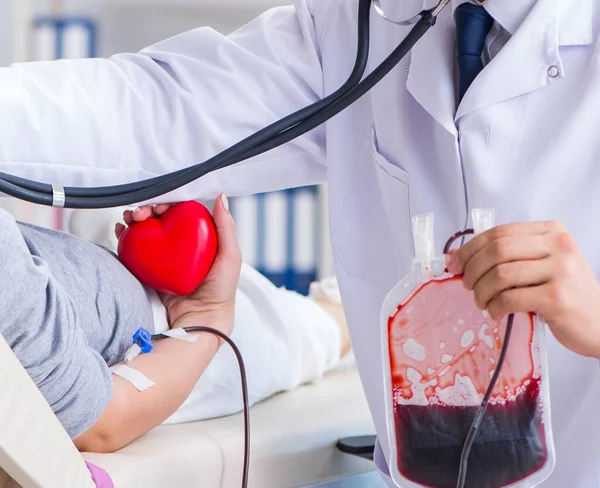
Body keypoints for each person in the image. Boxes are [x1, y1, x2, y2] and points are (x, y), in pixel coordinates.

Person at [0, 0, 599, 485]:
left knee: (286, 330)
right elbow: (158, 108)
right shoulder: (365, 22)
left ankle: (326, 317)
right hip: (414, 453)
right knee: (287, 328)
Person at [0, 195, 351, 452]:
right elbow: (100, 423)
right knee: (305, 331)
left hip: (98, 262)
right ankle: (343, 312)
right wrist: (205, 317)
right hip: (162, 329)